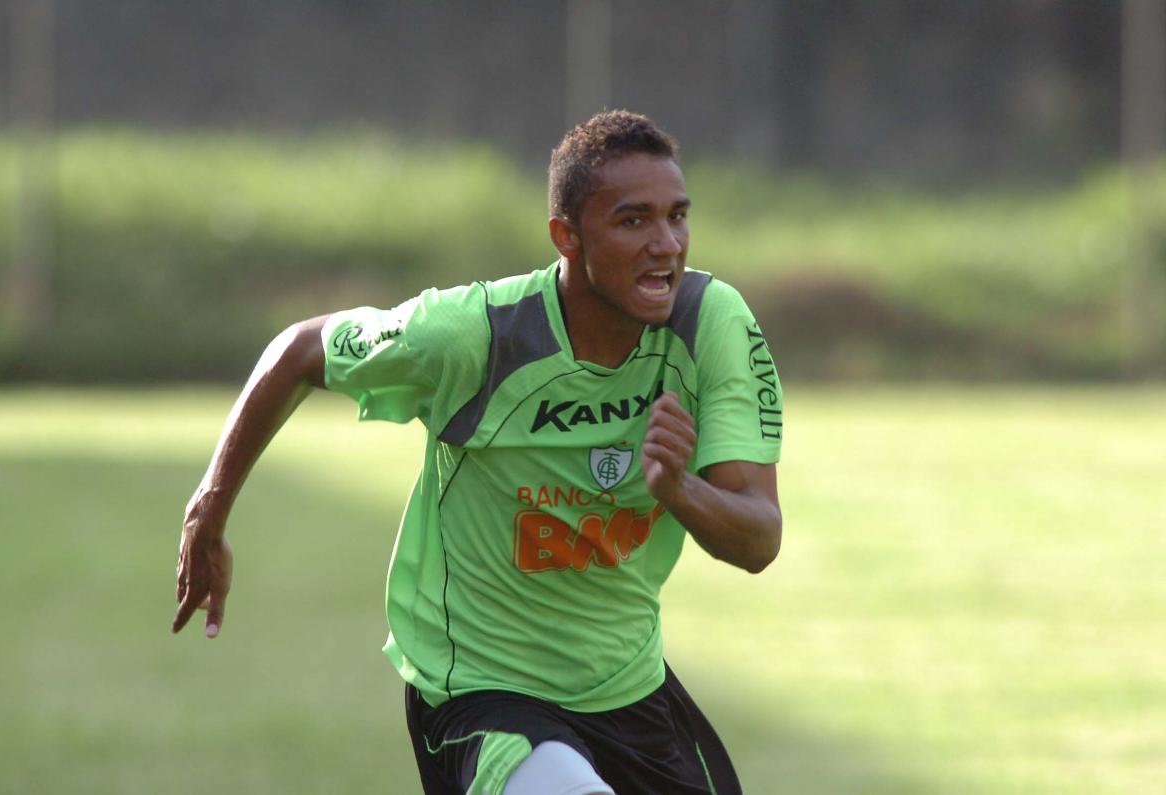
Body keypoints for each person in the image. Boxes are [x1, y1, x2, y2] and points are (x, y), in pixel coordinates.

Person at [172, 110, 783, 795]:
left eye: (677, 217)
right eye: (633, 221)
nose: (665, 244)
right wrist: (210, 508)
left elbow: (760, 537)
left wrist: (680, 490)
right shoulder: (476, 336)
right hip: (482, 692)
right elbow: (299, 351)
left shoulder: (711, 324)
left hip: (628, 688)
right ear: (567, 237)